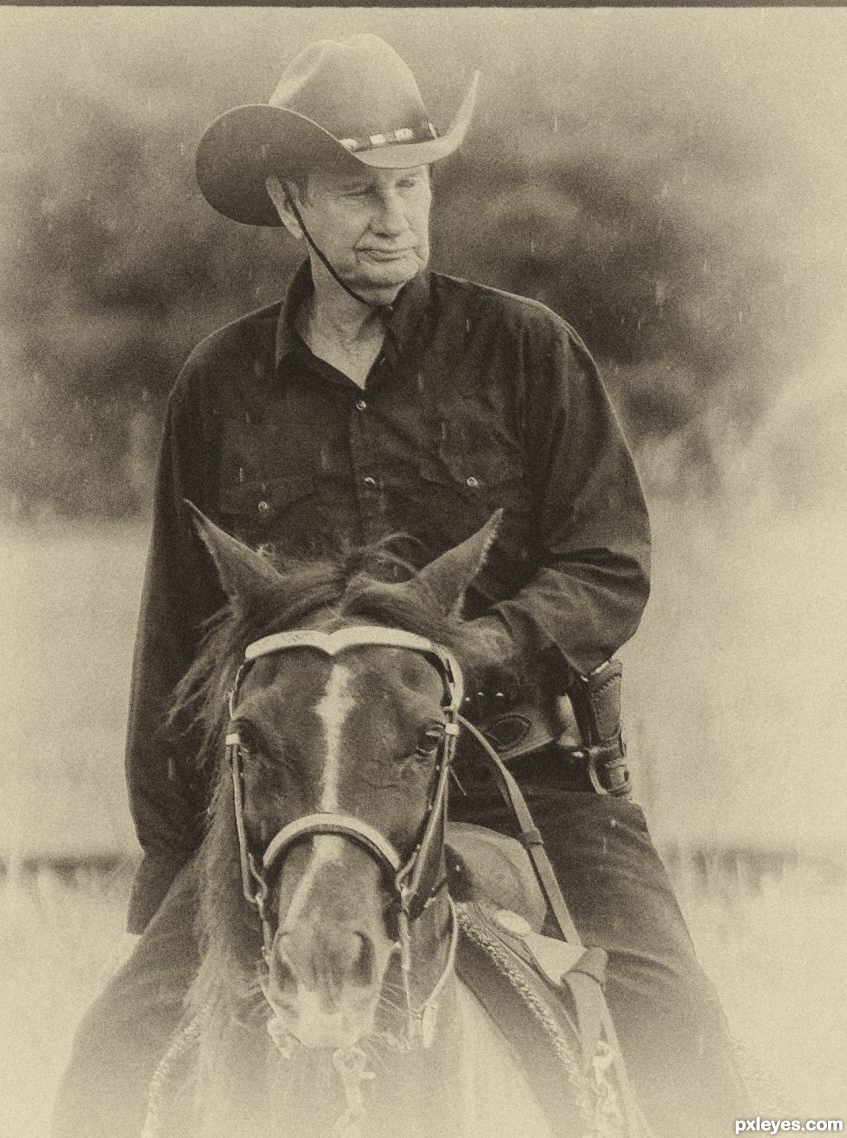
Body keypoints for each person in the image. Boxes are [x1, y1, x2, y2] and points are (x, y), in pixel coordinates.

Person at [54, 33, 747, 1138]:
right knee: (105, 1063)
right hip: (286, 807)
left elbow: (608, 564)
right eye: (357, 191)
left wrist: (484, 648)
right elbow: (177, 645)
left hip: (521, 776)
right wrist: (175, 872)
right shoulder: (219, 388)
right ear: (289, 205)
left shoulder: (529, 352)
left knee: (685, 1039)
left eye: (412, 183)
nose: (394, 216)